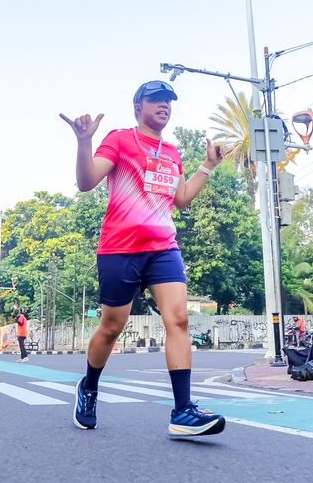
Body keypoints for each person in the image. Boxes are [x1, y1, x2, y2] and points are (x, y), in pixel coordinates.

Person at [60, 79, 226, 437]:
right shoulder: (120, 140)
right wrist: (84, 141)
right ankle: (89, 387)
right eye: (156, 100)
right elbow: (87, 182)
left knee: (178, 319)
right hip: (120, 248)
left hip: (163, 248)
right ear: (138, 108)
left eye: (169, 101)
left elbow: (181, 198)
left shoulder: (172, 152)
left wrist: (207, 166)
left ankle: (182, 411)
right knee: (111, 327)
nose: (164, 105)